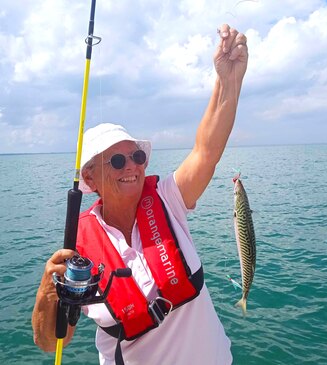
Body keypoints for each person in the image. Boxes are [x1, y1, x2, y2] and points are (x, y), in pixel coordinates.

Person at [32, 23, 248, 365]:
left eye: (137, 156)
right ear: (91, 177)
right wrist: (48, 289)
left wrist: (228, 80)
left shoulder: (167, 199)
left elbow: (206, 151)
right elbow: (49, 342)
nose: (131, 166)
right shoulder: (80, 249)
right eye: (117, 160)